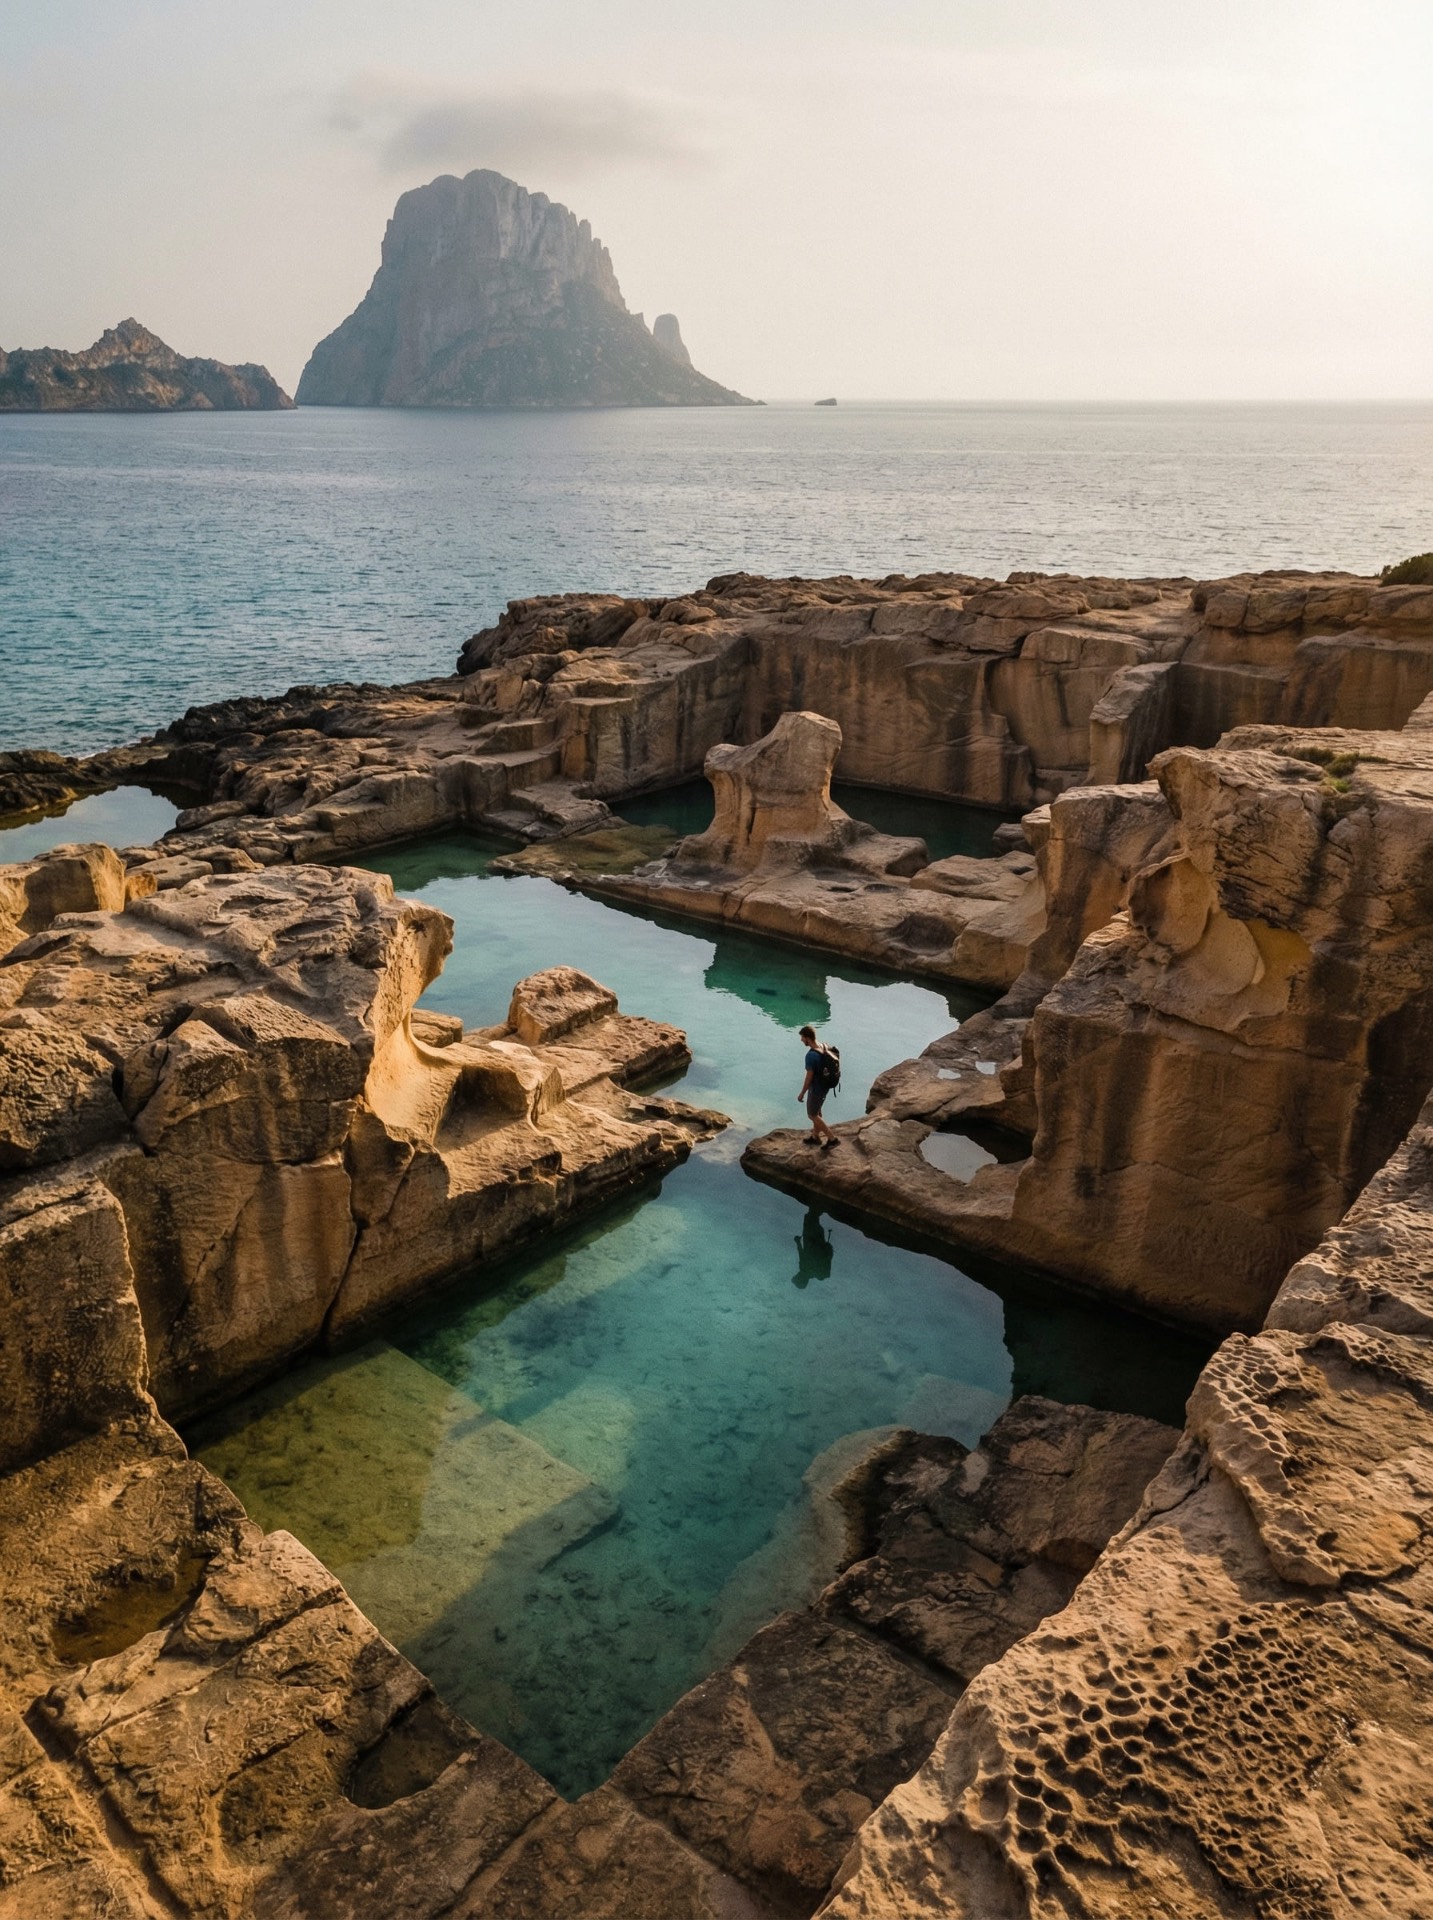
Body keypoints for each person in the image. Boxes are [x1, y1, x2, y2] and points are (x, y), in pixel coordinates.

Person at [797, 1024, 838, 1149]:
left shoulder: (811, 1056)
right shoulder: (823, 1046)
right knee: (817, 1111)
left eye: (802, 1038)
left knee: (812, 1115)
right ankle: (815, 1136)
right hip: (825, 1086)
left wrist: (802, 1093)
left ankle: (832, 1139)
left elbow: (809, 1077)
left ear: (807, 1038)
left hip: (817, 1088)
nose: (801, 1040)